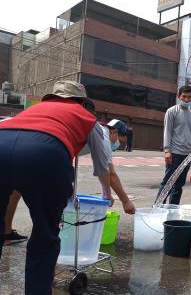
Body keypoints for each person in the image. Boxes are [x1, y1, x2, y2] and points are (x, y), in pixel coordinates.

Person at [0, 81, 113, 294]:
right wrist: (107, 194)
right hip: (44, 153)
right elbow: (102, 166)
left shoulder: (33, 109)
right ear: (82, 102)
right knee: (45, 232)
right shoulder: (88, 119)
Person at [80, 119, 136, 214]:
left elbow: (104, 171)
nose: (117, 145)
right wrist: (126, 202)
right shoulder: (104, 138)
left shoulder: (99, 130)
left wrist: (106, 193)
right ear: (114, 132)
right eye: (120, 141)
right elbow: (110, 173)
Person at [156, 85, 191, 205]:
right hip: (174, 153)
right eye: (184, 96)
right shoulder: (171, 111)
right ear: (178, 96)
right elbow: (167, 131)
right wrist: (167, 150)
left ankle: (172, 210)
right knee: (168, 183)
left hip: (187, 155)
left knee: (179, 185)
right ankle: (157, 208)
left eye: (189, 97)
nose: (186, 99)